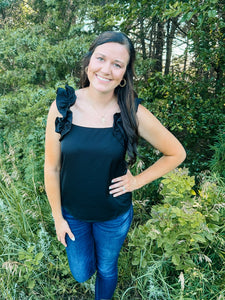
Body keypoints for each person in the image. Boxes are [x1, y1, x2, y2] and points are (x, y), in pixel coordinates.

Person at [44, 31, 186, 300]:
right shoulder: (63, 106)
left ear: (124, 74)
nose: (106, 70)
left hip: (113, 215)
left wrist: (137, 181)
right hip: (73, 213)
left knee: (107, 269)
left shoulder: (132, 111)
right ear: (89, 62)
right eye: (101, 58)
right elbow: (51, 168)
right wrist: (57, 218)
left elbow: (176, 153)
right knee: (82, 272)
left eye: (117, 64)